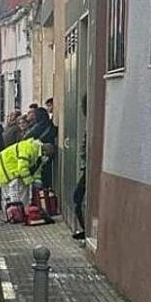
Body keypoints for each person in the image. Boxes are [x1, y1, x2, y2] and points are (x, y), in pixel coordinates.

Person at [0, 138, 56, 220]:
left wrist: (37, 182)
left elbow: (37, 171)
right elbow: (22, 168)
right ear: (44, 152)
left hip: (10, 167)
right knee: (12, 194)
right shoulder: (29, 148)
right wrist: (30, 182)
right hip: (5, 167)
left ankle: (20, 214)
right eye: (47, 156)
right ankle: (13, 215)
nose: (47, 159)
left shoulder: (38, 154)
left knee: (20, 192)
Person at [72, 95, 87, 240]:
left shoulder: (91, 124)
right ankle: (85, 229)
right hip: (87, 168)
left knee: (78, 197)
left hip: (89, 169)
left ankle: (86, 229)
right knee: (78, 197)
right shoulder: (90, 124)